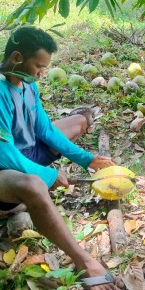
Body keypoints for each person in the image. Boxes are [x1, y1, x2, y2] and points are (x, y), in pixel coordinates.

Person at [0, 26, 121, 289]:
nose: (42, 73)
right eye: (39, 66)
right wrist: (47, 175)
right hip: (4, 169)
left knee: (78, 121)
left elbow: (45, 130)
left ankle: (31, 195)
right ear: (17, 57)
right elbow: (4, 153)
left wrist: (86, 159)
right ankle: (85, 262)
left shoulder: (27, 86)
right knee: (32, 184)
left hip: (27, 152)